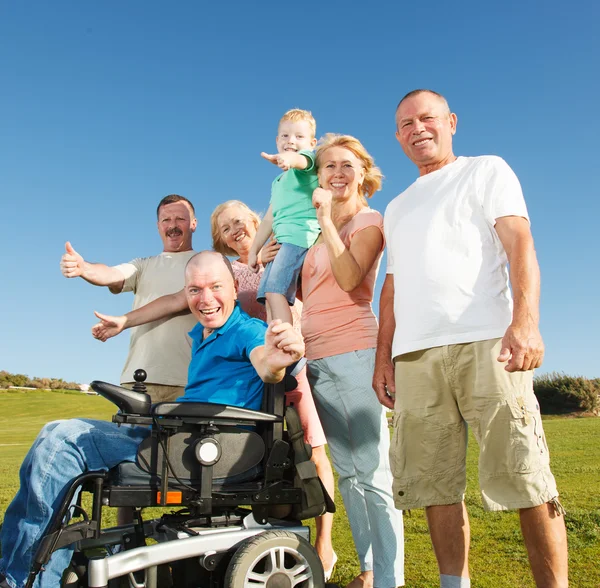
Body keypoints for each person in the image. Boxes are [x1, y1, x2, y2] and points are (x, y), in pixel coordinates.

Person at [0, 251, 304, 588]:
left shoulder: (248, 330)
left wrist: (276, 363)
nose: (205, 299)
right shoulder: (202, 336)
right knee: (54, 431)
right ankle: (22, 566)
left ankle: (24, 579)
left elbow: (265, 364)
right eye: (194, 290)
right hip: (181, 437)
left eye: (215, 286)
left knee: (64, 441)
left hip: (209, 447)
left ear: (234, 288)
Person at [373, 89, 568, 588]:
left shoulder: (486, 170)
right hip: (415, 355)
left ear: (451, 121)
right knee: (434, 484)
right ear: (397, 137)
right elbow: (392, 286)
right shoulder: (396, 206)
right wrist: (383, 356)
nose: (418, 129)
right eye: (406, 124)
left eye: (427, 118)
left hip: (488, 342)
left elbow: (519, 240)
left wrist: (525, 321)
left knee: (526, 476)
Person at [91, 200, 338, 578]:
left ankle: (324, 544)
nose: (235, 228)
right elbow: (177, 301)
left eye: (241, 220)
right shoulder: (229, 271)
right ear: (220, 239)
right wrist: (124, 321)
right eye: (226, 227)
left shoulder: (288, 253)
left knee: (311, 450)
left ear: (257, 221)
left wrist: (280, 354)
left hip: (281, 356)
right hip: (247, 364)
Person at [302, 134, 404, 588]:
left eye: (346, 165)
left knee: (373, 473)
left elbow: (347, 279)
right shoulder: (310, 230)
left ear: (363, 171)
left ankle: (391, 579)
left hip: (354, 352)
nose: (337, 173)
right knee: (347, 475)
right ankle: (368, 570)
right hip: (315, 358)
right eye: (328, 167)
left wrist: (324, 220)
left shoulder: (368, 221)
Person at [60, 194, 198, 403]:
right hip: (139, 379)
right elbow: (110, 274)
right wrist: (84, 268)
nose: (173, 225)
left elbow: (178, 300)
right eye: (166, 220)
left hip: (188, 381)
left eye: (180, 219)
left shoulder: (205, 263)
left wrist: (124, 321)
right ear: (158, 226)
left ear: (193, 224)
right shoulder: (142, 265)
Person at [248, 108, 321, 327]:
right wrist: (253, 251)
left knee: (275, 292)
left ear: (312, 142)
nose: (291, 140)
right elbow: (269, 220)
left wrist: (288, 159)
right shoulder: (279, 182)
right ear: (277, 139)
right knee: (268, 298)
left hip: (298, 238)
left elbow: (299, 159)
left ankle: (286, 343)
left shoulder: (308, 164)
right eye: (286, 136)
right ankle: (275, 344)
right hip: (280, 242)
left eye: (299, 136)